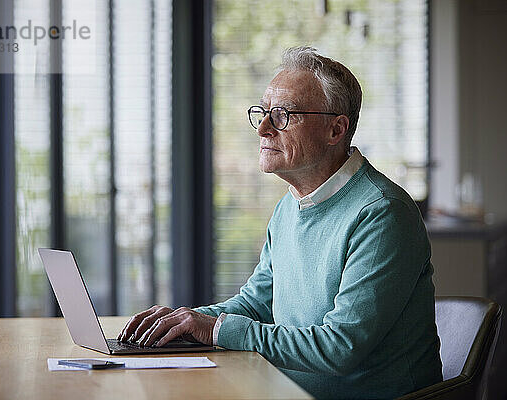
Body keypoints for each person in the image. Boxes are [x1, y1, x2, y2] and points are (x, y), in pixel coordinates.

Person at [118, 46, 442, 399]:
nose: (263, 128)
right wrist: (183, 322)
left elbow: (340, 346)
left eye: (283, 114)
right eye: (262, 113)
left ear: (336, 130)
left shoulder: (382, 213)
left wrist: (216, 330)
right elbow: (256, 303)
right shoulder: (289, 207)